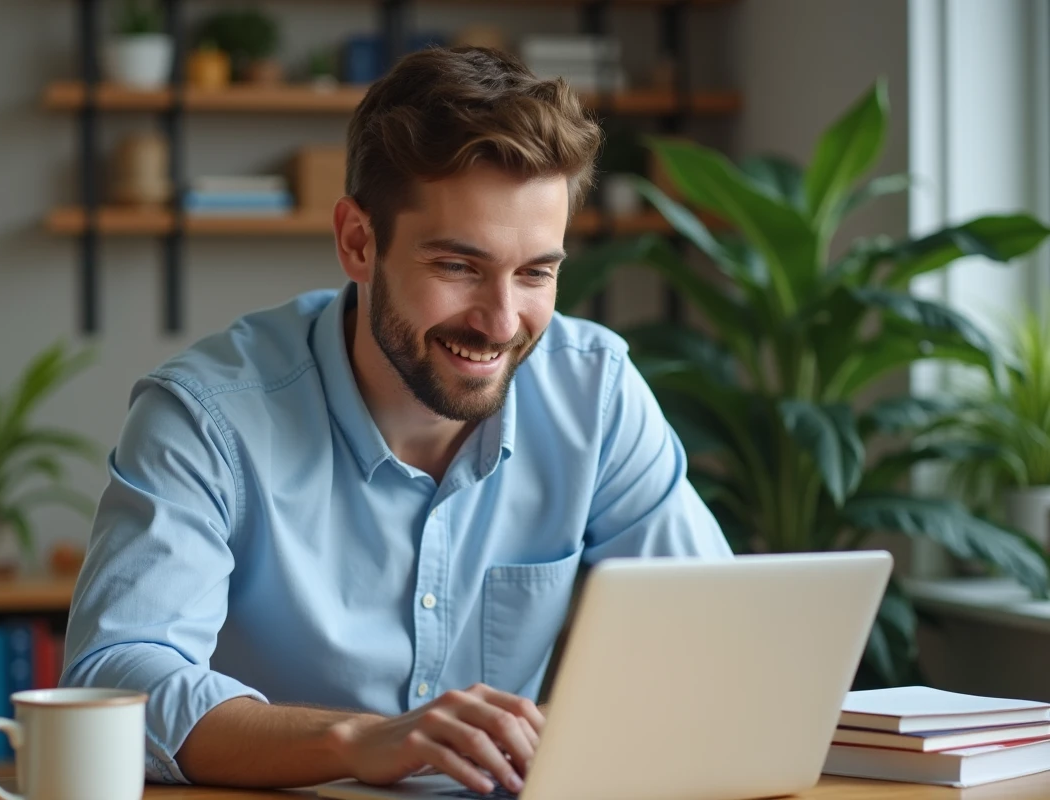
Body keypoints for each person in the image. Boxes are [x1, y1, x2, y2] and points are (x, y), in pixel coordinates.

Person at [61, 46, 732, 796]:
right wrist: (359, 741)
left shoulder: (595, 392)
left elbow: (712, 637)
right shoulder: (206, 418)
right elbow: (115, 685)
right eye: (459, 266)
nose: (501, 322)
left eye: (536, 272)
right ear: (357, 242)